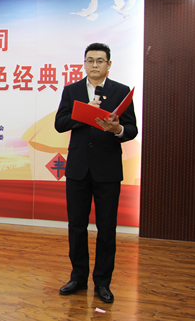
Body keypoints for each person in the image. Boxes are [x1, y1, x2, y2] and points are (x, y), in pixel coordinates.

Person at [54, 42, 138, 303]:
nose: (94, 65)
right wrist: (84, 114)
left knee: (107, 228)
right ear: (84, 63)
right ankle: (78, 277)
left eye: (100, 61)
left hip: (107, 169)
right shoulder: (72, 90)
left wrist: (117, 130)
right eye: (90, 60)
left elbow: (131, 129)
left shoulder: (121, 92)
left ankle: (103, 282)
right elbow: (60, 123)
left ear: (108, 64)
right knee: (77, 226)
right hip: (78, 168)